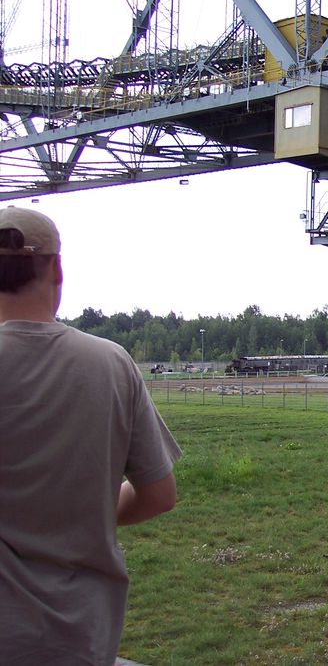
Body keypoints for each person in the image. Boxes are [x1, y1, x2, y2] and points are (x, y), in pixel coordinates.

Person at [0, 207, 182, 666]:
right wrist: (81, 510)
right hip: (81, 637)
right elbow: (158, 495)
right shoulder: (111, 362)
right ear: (57, 269)